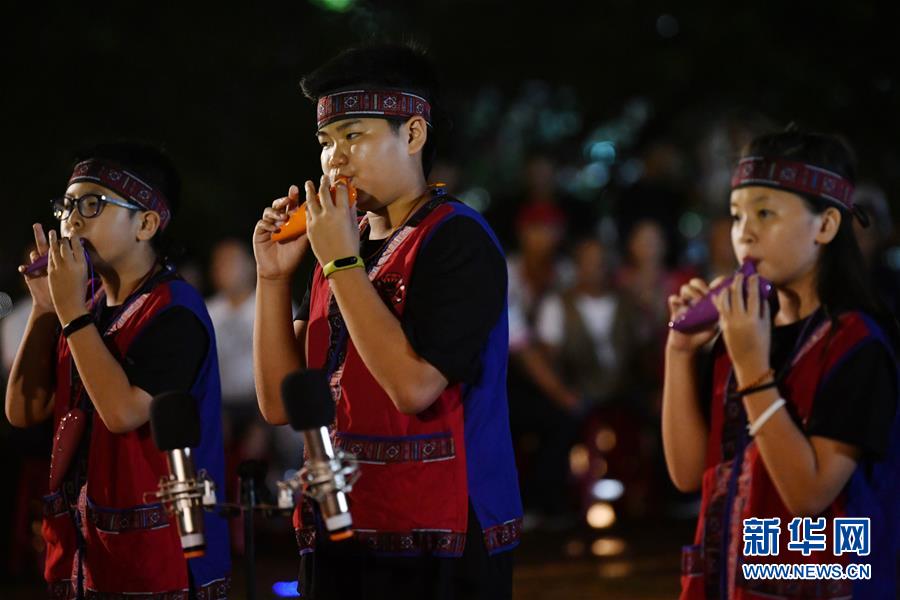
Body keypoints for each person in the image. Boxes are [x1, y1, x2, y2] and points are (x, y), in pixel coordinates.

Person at [252, 44, 521, 599]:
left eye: (354, 136)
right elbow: (281, 402)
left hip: (442, 539)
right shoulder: (341, 245)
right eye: (326, 142)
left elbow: (414, 387)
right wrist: (274, 280)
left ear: (414, 134)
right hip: (342, 523)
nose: (335, 160)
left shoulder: (457, 238)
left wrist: (341, 262)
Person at [662, 129, 899, 598]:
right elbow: (688, 473)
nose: (743, 232)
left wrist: (752, 370)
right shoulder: (745, 328)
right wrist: (680, 353)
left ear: (826, 226)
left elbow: (808, 495)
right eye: (736, 216)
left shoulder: (857, 347)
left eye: (765, 213)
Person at [5, 143, 230, 598]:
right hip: (85, 553)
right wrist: (44, 310)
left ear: (146, 224)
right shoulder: (83, 306)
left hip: (159, 559)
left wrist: (68, 312)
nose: (71, 221)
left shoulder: (176, 311)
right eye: (66, 206)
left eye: (92, 205)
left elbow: (124, 412)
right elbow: (23, 410)